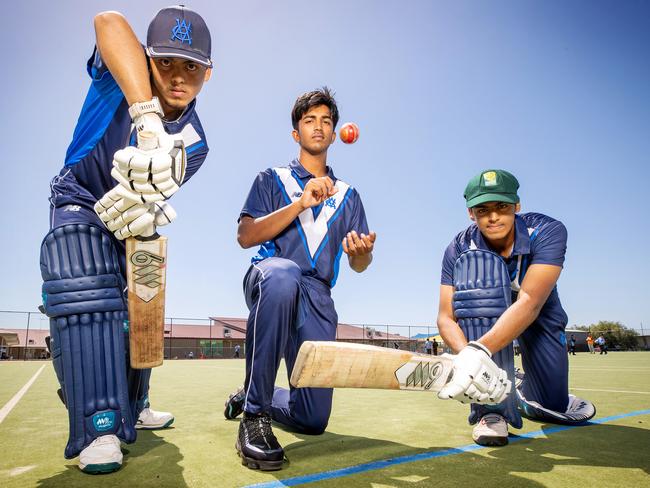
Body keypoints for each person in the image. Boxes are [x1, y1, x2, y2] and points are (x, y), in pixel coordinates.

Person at [39, 6, 212, 474]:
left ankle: (137, 403)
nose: (178, 77)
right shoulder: (119, 71)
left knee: (145, 301)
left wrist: (147, 208)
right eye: (166, 63)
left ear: (208, 74)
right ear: (146, 57)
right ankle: (100, 428)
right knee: (87, 286)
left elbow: (159, 192)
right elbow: (107, 20)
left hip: (132, 220)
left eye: (191, 67)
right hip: (79, 200)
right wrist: (147, 117)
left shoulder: (197, 142)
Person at [223, 88, 377, 471]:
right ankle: (254, 418)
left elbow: (359, 264)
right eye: (310, 120)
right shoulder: (271, 178)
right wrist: (299, 203)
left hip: (318, 296)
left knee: (312, 419)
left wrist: (362, 255)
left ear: (335, 131)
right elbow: (246, 237)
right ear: (297, 133)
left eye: (326, 120)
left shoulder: (349, 195)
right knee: (284, 273)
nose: (319, 126)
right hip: (271, 276)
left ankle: (253, 393)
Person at [437, 169, 596, 447]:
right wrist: (468, 360)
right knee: (479, 279)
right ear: (470, 213)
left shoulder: (547, 231)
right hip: (485, 311)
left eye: (502, 207)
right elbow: (445, 317)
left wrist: (478, 351)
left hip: (539, 310)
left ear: (517, 206)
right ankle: (492, 413)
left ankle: (521, 389)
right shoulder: (459, 248)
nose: (493, 216)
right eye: (483, 209)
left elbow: (530, 302)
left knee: (550, 404)